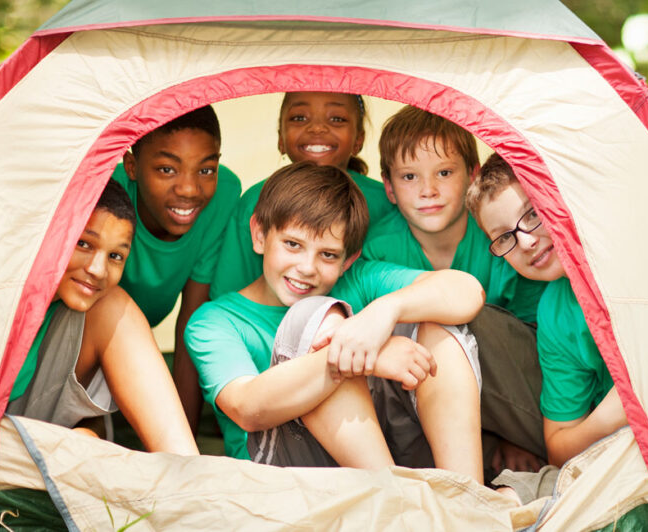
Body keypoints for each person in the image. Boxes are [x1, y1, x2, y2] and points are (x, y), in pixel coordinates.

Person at [186, 162, 485, 482]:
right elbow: (247, 407)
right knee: (313, 316)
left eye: (328, 255)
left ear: (348, 260)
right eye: (292, 245)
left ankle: (467, 496)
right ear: (259, 234)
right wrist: (363, 358)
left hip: (379, 452)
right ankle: (398, 497)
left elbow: (467, 290)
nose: (307, 268)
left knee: (434, 322)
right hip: (281, 472)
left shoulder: (357, 280)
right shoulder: (215, 320)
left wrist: (383, 314)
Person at [365, 106, 548, 479]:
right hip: (417, 396)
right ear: (389, 188)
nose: (428, 190)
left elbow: (537, 345)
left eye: (444, 173)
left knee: (443, 318)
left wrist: (514, 435)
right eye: (409, 176)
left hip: (516, 389)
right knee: (419, 327)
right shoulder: (378, 248)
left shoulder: (502, 237)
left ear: (472, 175)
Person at [466, 153, 628, 499]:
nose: (525, 241)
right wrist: (611, 415)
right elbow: (559, 445)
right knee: (518, 493)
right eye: (504, 237)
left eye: (533, 214)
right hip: (619, 445)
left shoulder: (627, 254)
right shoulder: (556, 310)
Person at [7, 180, 199, 456]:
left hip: (30, 438)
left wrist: (88, 434)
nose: (98, 269)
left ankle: (188, 476)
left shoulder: (98, 307)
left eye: (115, 256)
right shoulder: (8, 284)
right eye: (84, 243)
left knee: (113, 304)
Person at [112, 105, 241, 431]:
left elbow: (193, 321)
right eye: (168, 169)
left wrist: (183, 439)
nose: (189, 189)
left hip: (149, 335)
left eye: (206, 170)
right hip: (89, 326)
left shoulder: (223, 194)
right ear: (132, 166)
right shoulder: (105, 188)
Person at [210, 92, 395, 299]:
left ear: (358, 139)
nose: (317, 128)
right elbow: (231, 296)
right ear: (280, 137)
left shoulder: (388, 201)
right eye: (299, 118)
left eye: (337, 119)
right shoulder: (255, 202)